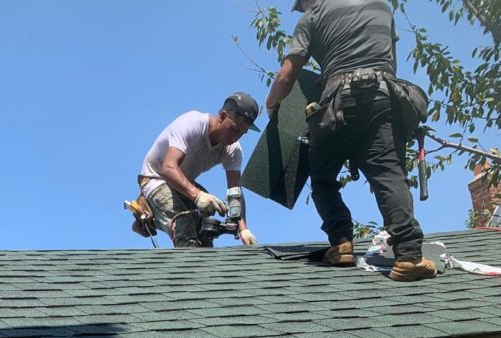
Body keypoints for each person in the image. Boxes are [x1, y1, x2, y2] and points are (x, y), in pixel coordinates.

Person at [264, 0, 437, 282]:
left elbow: (286, 75)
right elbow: (388, 60)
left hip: (338, 103)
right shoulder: (380, 6)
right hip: (384, 97)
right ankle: (408, 256)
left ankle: (342, 243)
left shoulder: (313, 17)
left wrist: (273, 105)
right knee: (388, 173)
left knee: (322, 178)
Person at [138, 94, 260, 248]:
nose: (236, 137)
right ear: (222, 116)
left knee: (206, 228)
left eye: (242, 133)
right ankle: (149, 211)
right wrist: (198, 195)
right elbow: (168, 168)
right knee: (185, 224)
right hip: (156, 178)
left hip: (182, 181)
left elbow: (234, 192)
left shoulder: (233, 150)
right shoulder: (192, 124)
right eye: (234, 129)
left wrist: (243, 229)